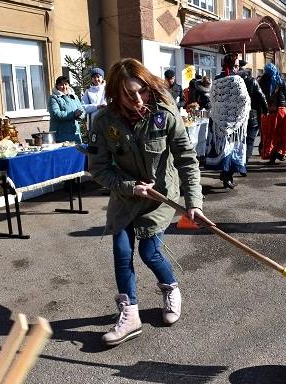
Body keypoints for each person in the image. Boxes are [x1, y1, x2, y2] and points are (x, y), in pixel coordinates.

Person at [87, 58, 213, 346]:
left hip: (159, 198)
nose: (137, 100)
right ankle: (130, 314)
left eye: (141, 91)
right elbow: (98, 168)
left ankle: (171, 289)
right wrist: (130, 187)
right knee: (121, 251)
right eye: (128, 94)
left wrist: (194, 202)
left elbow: (186, 161)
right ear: (115, 94)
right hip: (125, 197)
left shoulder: (165, 114)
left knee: (149, 252)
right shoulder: (104, 122)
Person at [206, 53, 251, 188]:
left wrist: (220, 111)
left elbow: (212, 99)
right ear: (233, 65)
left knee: (224, 148)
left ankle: (225, 174)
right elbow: (244, 99)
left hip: (219, 120)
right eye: (237, 65)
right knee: (231, 149)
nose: (238, 68)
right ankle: (227, 175)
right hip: (234, 120)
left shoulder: (217, 79)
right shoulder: (237, 80)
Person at [258, 63, 286, 164]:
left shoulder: (261, 82)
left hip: (267, 112)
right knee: (282, 134)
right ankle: (280, 152)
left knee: (269, 135)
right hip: (281, 111)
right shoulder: (281, 81)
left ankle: (272, 157)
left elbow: (259, 96)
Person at [238, 60, 268, 165]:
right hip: (251, 114)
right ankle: (244, 163)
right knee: (249, 140)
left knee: (238, 140)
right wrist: (265, 110)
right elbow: (261, 96)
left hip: (236, 114)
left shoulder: (231, 80)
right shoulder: (251, 80)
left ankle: (235, 162)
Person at [48, 76, 85, 143]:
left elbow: (81, 109)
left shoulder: (74, 96)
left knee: (77, 152)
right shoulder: (53, 98)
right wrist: (73, 114)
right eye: (61, 85)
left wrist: (80, 114)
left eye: (66, 84)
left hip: (75, 132)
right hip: (61, 134)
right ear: (57, 86)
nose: (64, 87)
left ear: (69, 85)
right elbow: (56, 113)